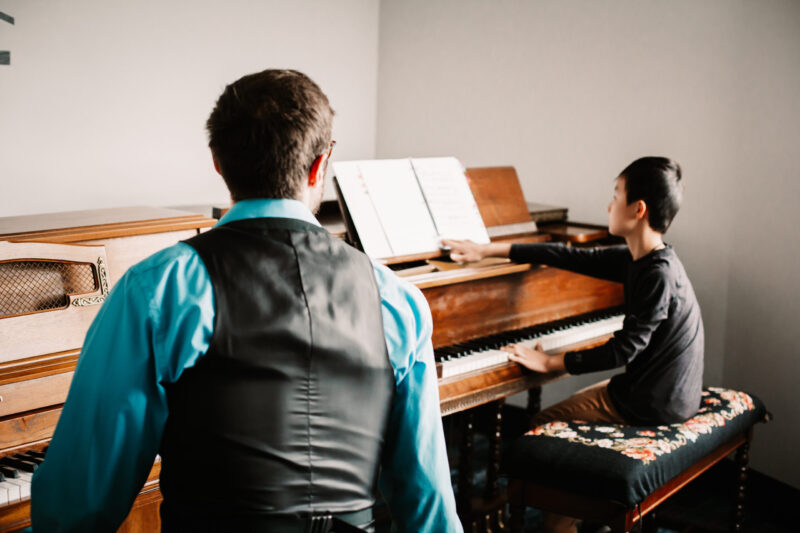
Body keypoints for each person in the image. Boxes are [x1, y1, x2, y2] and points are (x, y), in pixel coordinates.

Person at [31, 69, 461, 533]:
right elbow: (429, 506)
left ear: (217, 160)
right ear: (322, 165)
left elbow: (79, 503)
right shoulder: (397, 299)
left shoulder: (158, 289)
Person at [444, 157, 704, 533]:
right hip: (659, 393)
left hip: (652, 405)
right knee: (562, 422)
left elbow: (623, 350)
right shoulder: (644, 259)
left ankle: (562, 526)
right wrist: (487, 250)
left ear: (638, 209)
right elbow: (566, 255)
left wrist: (552, 363)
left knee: (544, 427)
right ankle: (587, 514)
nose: (608, 205)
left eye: (615, 194)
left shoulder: (657, 275)